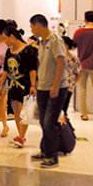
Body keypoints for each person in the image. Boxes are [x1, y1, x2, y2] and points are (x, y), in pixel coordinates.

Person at [29, 14, 67, 168]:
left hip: (55, 87)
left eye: (32, 26)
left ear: (38, 25)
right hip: (43, 87)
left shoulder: (55, 40)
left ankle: (52, 156)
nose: (31, 29)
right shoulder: (41, 42)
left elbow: (61, 63)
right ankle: (45, 150)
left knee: (49, 122)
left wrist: (56, 86)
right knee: (43, 121)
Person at [3, 23, 38, 148]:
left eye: (5, 38)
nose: (5, 42)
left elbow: (33, 69)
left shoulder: (29, 50)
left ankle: (21, 136)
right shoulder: (9, 51)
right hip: (13, 85)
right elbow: (6, 69)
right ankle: (20, 136)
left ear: (12, 37)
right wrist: (2, 85)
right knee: (16, 111)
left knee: (24, 112)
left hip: (25, 84)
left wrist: (33, 85)